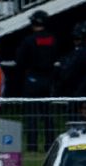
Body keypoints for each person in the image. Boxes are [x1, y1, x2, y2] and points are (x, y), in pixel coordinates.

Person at [16, 11, 61, 151]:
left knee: (31, 114)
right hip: (48, 80)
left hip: (32, 80)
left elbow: (20, 60)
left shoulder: (28, 40)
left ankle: (32, 145)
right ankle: (50, 144)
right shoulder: (53, 39)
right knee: (48, 115)